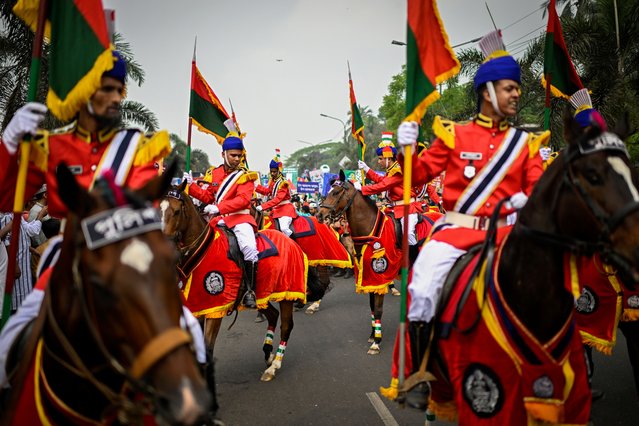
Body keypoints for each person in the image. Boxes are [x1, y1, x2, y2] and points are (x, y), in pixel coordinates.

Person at [0, 50, 206, 386]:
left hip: (127, 256)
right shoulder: (52, 147)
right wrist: (8, 146)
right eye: (104, 88)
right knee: (7, 346)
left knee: (192, 337)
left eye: (117, 89)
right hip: (68, 256)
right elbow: (7, 198)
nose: (113, 97)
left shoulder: (138, 150)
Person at [396, 30, 547, 376]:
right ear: (487, 91)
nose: (516, 94)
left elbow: (538, 188)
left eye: (516, 87)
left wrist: (528, 198)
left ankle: (563, 369)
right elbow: (416, 175)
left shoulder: (526, 144)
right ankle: (421, 373)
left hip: (509, 235)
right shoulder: (454, 134)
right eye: (510, 87)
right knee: (422, 290)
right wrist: (407, 149)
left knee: (557, 284)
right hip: (457, 234)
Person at [183, 134, 259, 308]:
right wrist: (191, 186)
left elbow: (243, 200)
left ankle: (249, 290)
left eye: (239, 156)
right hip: (219, 220)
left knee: (249, 248)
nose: (237, 159)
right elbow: (208, 196)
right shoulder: (214, 173)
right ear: (223, 154)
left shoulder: (246, 175)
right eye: (233, 155)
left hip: (240, 218)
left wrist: (219, 208)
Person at [356, 136, 422, 249]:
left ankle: (415, 259)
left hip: (408, 208)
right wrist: (367, 169)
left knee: (408, 234)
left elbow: (383, 185)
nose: (378, 161)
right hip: (394, 209)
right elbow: (382, 180)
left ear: (388, 159)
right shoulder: (391, 170)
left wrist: (362, 189)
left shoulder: (398, 171)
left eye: (381, 158)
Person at [254, 157, 297, 237]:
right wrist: (256, 187)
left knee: (284, 228)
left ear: (279, 171)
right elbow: (268, 192)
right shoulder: (273, 181)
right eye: (271, 172)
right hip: (276, 210)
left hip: (285, 209)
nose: (272, 174)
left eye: (274, 172)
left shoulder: (283, 183)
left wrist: (262, 206)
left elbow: (277, 199)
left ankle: (291, 242)